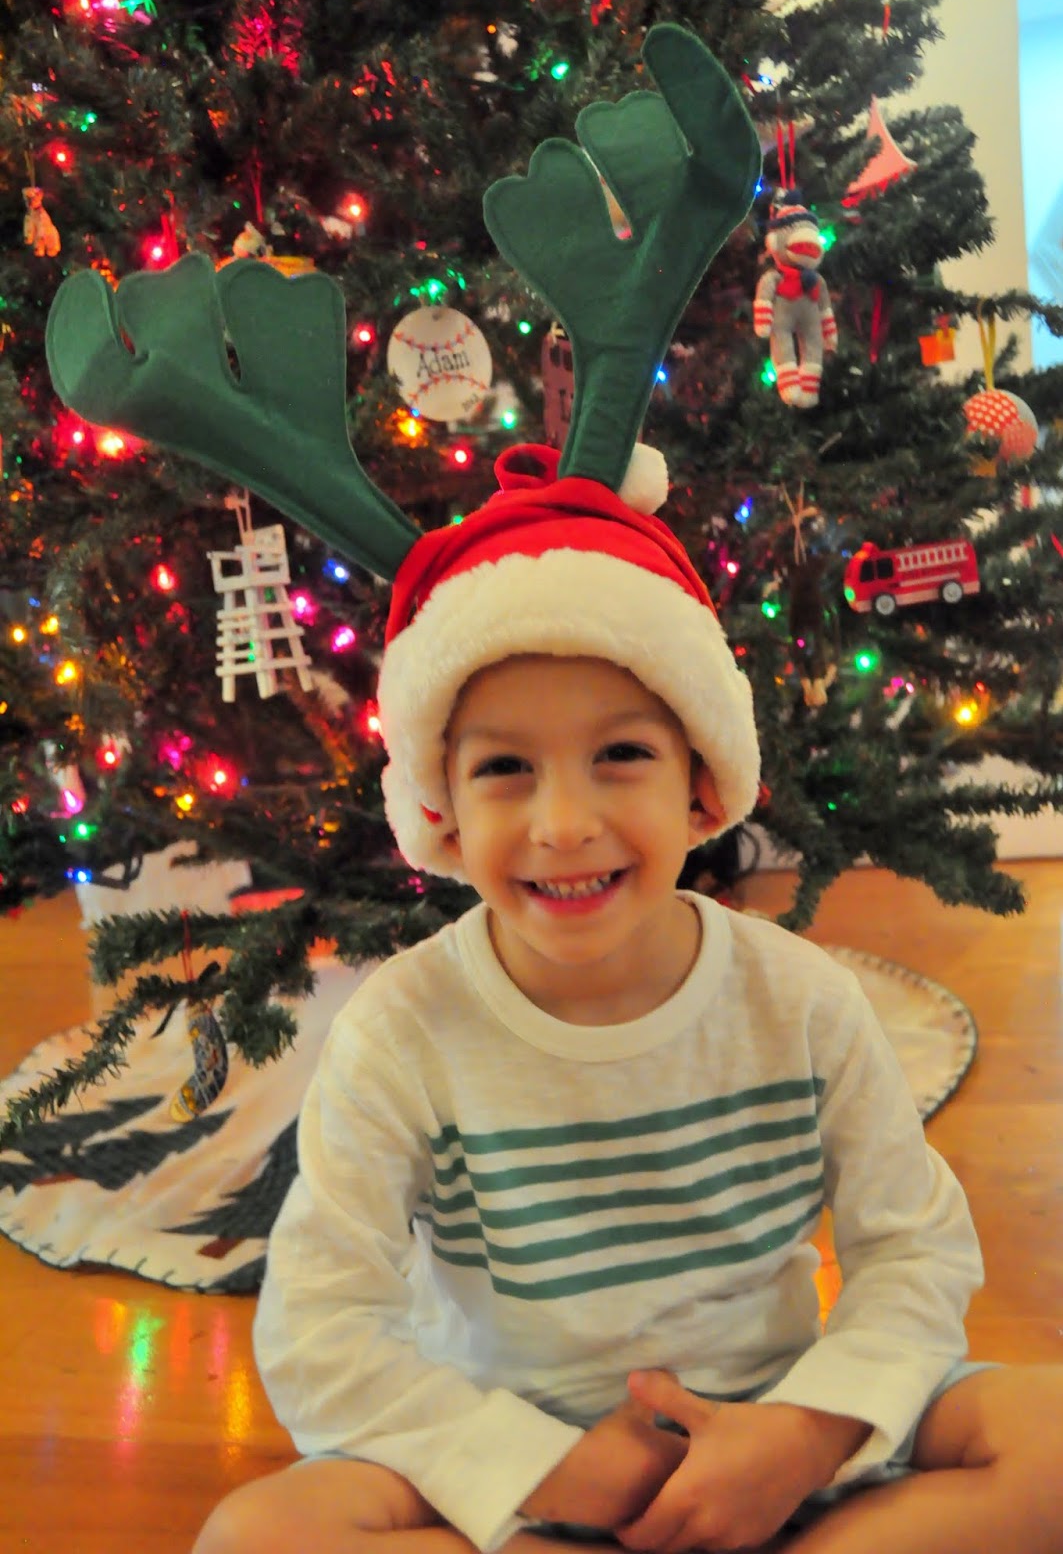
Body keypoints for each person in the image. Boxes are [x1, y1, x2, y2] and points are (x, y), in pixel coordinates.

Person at [192, 437, 1063, 1554]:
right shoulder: (402, 1031)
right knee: (255, 1538)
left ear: (701, 785)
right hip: (525, 1484)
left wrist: (804, 1434)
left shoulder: (800, 999)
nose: (563, 824)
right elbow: (320, 1328)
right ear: (441, 806)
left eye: (619, 755)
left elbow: (915, 1250)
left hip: (783, 1448)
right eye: (505, 767)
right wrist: (546, 1468)